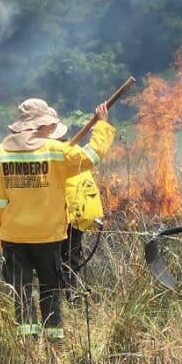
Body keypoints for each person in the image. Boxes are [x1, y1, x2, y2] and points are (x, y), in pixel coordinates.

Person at [0, 97, 109, 343]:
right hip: (48, 236)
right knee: (50, 290)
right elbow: (92, 156)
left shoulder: (2, 152)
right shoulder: (55, 151)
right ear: (41, 126)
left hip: (13, 236)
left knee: (20, 291)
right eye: (49, 126)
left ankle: (27, 342)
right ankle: (54, 342)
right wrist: (102, 126)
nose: (52, 130)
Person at [61, 110, 116, 291]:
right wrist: (101, 123)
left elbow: (95, 152)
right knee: (70, 257)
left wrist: (100, 124)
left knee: (65, 259)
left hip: (68, 215)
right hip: (77, 214)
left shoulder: (61, 154)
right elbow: (95, 151)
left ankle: (69, 297)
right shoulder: (72, 151)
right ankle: (71, 295)